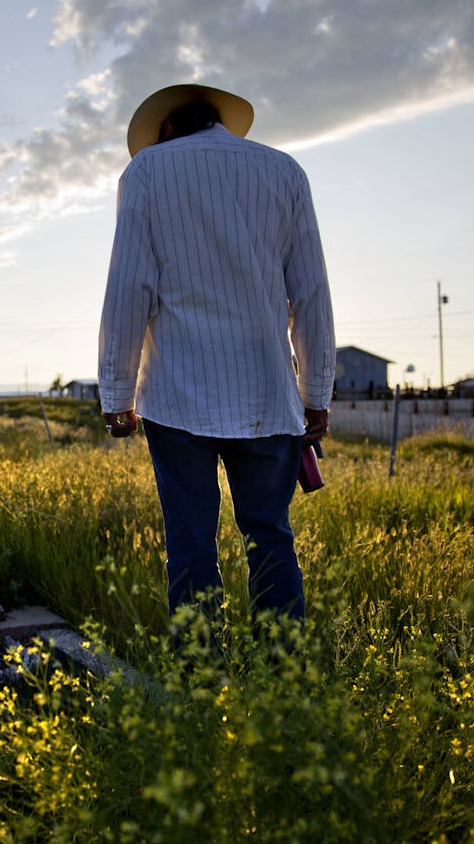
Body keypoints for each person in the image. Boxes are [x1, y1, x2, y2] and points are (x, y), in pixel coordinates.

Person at [97, 83, 335, 621]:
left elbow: (130, 287)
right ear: (217, 120)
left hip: (178, 394)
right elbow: (311, 292)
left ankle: (202, 681)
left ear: (167, 129)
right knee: (271, 537)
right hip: (269, 393)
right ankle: (286, 678)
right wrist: (315, 393)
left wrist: (117, 393)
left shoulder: (147, 172)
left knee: (190, 544)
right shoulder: (285, 171)